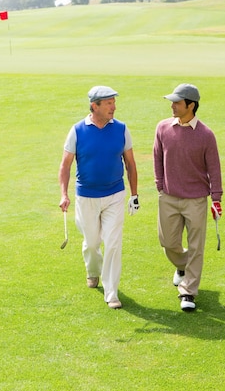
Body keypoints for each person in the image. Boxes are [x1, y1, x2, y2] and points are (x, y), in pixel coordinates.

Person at [59, 85, 139, 309]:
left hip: (115, 194)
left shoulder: (122, 129)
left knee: (113, 243)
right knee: (92, 243)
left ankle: (111, 292)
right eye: (109, 103)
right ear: (95, 106)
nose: (114, 107)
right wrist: (64, 194)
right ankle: (93, 270)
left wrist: (134, 194)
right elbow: (65, 165)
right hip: (86, 196)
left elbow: (131, 164)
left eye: (114, 102)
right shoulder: (77, 131)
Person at [153, 83, 223, 312]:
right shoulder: (163, 128)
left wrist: (216, 198)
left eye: (177, 102)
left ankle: (188, 292)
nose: (172, 106)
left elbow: (214, 168)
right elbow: (157, 157)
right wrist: (160, 185)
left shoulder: (205, 135)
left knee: (196, 246)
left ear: (190, 106)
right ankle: (182, 266)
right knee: (168, 242)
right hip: (169, 197)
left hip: (196, 200)